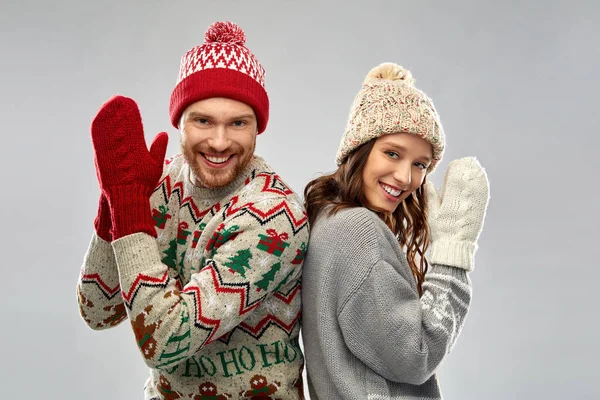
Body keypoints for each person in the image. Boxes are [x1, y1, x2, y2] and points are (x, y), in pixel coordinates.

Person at [76, 21, 309, 399]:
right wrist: (113, 207)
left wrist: (131, 212)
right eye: (203, 121)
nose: (220, 142)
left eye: (238, 123)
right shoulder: (158, 182)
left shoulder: (275, 216)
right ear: (180, 121)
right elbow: (98, 311)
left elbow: (166, 342)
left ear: (257, 128)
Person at [301, 62, 490, 399]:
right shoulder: (358, 231)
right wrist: (452, 255)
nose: (406, 178)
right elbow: (414, 356)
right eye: (392, 153)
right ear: (358, 151)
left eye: (420, 164)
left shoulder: (328, 218)